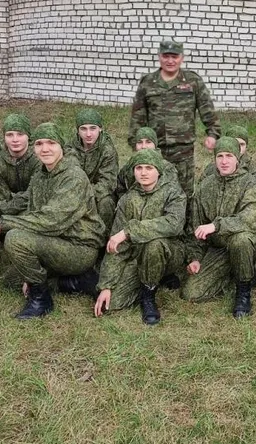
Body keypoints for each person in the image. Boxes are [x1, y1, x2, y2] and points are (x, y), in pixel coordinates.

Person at [0, 123, 105, 319]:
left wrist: (2, 224)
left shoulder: (73, 176)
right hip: (54, 241)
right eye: (39, 143)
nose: (45, 148)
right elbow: (28, 205)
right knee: (11, 280)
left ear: (61, 148)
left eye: (51, 143)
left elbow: (51, 220)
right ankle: (76, 282)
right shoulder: (41, 175)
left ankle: (41, 301)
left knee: (15, 239)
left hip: (79, 247)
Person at [95, 149, 186, 325]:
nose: (143, 173)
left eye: (149, 168)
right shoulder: (128, 199)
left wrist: (129, 231)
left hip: (170, 252)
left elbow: (173, 224)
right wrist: (106, 285)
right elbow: (116, 245)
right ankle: (80, 282)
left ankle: (149, 297)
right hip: (138, 257)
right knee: (112, 304)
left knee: (154, 244)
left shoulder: (173, 193)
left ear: (158, 171)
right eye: (139, 168)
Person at [182, 137, 256, 318]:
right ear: (215, 159)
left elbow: (250, 219)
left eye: (229, 156)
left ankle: (243, 292)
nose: (224, 161)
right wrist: (195, 258)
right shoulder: (205, 186)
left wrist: (216, 225)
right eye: (220, 156)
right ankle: (240, 271)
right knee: (191, 294)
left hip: (247, 243)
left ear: (237, 158)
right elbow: (194, 228)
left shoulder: (250, 183)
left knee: (240, 240)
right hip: (218, 247)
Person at [128, 39, 221, 199]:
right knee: (154, 190)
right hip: (155, 150)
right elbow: (138, 116)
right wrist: (136, 143)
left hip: (183, 150)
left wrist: (213, 134)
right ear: (159, 57)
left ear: (181, 58)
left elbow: (207, 109)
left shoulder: (193, 81)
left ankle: (185, 222)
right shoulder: (148, 82)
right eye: (166, 56)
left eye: (174, 56)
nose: (170, 61)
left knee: (184, 193)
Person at [68, 108, 118, 233]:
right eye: (83, 129)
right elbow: (70, 175)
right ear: (77, 131)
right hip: (75, 191)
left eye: (93, 128)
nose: (88, 134)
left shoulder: (107, 150)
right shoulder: (70, 147)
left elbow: (107, 184)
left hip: (97, 193)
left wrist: (85, 194)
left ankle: (105, 237)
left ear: (100, 129)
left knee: (106, 202)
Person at [0, 113, 41, 216]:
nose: (15, 139)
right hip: (6, 212)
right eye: (9, 135)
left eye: (20, 134)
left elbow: (34, 194)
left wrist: (15, 198)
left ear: (28, 136)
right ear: (4, 137)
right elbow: (1, 202)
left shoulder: (38, 160)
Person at [200, 124, 256, 204]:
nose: (238, 147)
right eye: (234, 142)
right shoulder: (212, 168)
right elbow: (200, 190)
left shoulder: (253, 168)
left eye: (242, 144)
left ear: (247, 147)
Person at [117, 127, 181, 199]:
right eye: (140, 142)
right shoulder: (128, 166)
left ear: (155, 145)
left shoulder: (167, 168)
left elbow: (173, 195)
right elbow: (120, 188)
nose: (144, 146)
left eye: (148, 142)